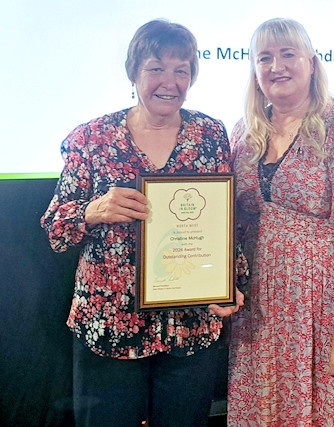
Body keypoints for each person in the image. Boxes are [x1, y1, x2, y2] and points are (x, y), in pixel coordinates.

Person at [41, 19, 242, 427]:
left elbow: (226, 219)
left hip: (190, 323)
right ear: (134, 72)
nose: (169, 81)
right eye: (156, 68)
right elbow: (55, 229)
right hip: (112, 324)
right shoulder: (92, 138)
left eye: (181, 70)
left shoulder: (210, 134)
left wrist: (231, 281)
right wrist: (93, 210)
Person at [227, 18, 334, 426]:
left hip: (327, 303)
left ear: (312, 64)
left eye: (288, 54)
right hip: (262, 310)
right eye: (264, 58)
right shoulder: (245, 134)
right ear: (255, 72)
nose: (276, 66)